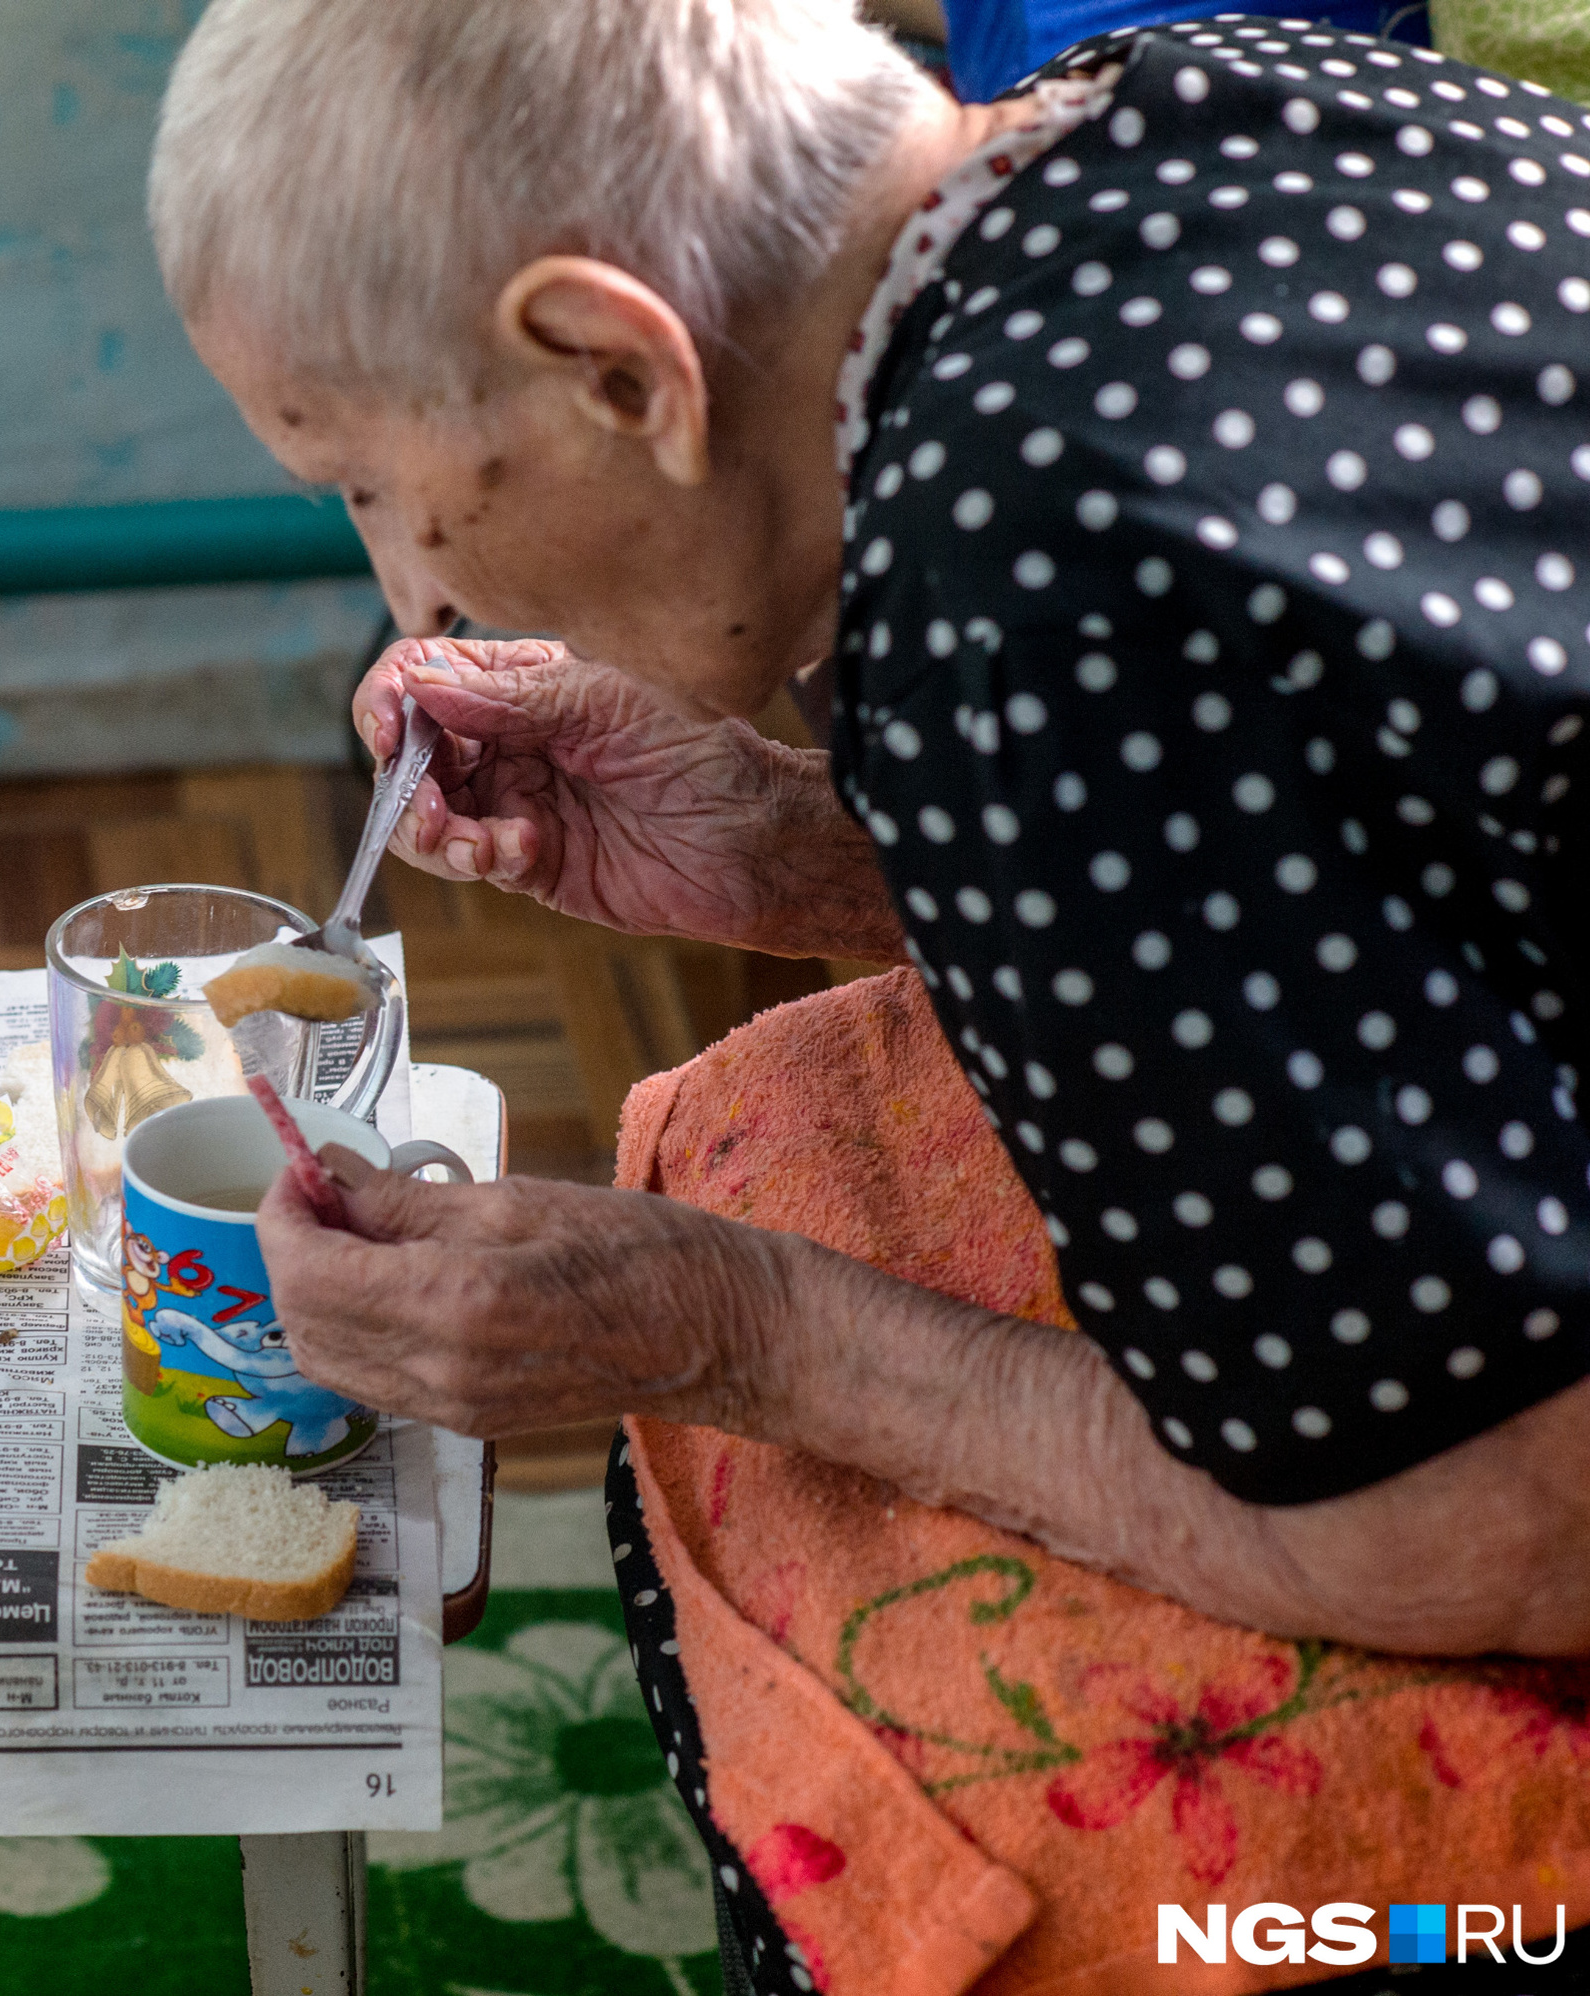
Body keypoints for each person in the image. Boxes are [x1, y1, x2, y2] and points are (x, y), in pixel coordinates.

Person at [148, 0, 1588, 1654]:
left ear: (616, 365)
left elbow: (1487, 1523)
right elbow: (1368, 837)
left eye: (367, 484)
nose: (416, 588)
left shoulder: (1039, 601)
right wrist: (808, 847)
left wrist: (731, 1325)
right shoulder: (1212, 85)